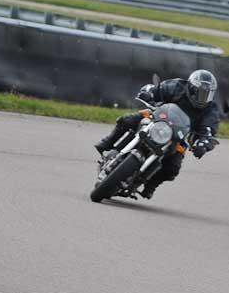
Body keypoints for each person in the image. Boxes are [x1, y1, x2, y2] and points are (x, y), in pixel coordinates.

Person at [94, 70, 220, 199]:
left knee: (172, 168)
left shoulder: (211, 109)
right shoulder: (176, 86)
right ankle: (107, 142)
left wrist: (204, 143)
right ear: (191, 87)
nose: (203, 98)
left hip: (178, 136)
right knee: (127, 120)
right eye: (200, 93)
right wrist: (148, 94)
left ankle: (150, 185)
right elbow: (157, 90)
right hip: (158, 118)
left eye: (207, 94)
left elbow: (209, 129)